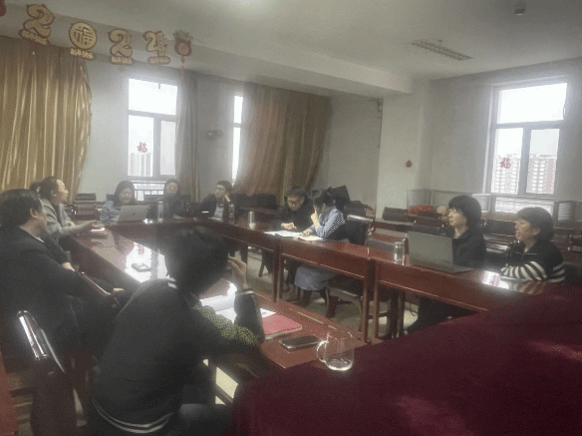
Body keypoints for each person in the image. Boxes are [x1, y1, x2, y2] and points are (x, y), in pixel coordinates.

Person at [90, 227, 264, 436]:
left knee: (199, 374)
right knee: (231, 415)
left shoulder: (150, 286)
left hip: (101, 410)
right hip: (142, 428)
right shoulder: (195, 319)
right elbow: (251, 337)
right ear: (218, 276)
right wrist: (243, 286)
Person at [0, 189, 115, 356]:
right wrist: (109, 288)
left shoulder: (11, 236)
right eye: (42, 208)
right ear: (34, 213)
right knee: (112, 303)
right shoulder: (25, 249)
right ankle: (97, 362)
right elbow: (69, 282)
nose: (46, 213)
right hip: (45, 323)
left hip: (27, 310)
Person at [406, 195, 487, 334]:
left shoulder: (475, 238)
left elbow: (461, 264)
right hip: (445, 282)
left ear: (467, 214)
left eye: (455, 211)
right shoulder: (447, 232)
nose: (450, 214)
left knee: (438, 297)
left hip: (466, 289)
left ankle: (419, 329)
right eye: (450, 210)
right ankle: (421, 328)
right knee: (426, 290)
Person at [293, 190, 348, 306]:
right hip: (326, 250)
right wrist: (308, 230)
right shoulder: (324, 212)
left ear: (323, 205)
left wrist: (315, 220)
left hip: (338, 254)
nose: (314, 209)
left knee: (310, 271)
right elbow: (314, 227)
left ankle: (323, 297)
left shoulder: (336, 214)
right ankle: (304, 299)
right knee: (302, 268)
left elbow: (323, 233)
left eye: (315, 206)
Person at [501, 207, 566, 282]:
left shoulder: (549, 252)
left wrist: (506, 270)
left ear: (535, 230)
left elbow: (528, 274)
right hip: (522, 288)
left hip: (548, 290)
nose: (516, 227)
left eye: (521, 223)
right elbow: (504, 266)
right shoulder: (518, 247)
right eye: (516, 223)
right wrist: (506, 270)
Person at [30, 176, 99, 238]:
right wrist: (83, 227)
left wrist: (69, 223)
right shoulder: (44, 207)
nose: (67, 192)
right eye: (64, 188)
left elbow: (66, 220)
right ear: (54, 193)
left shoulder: (60, 205)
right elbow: (57, 232)